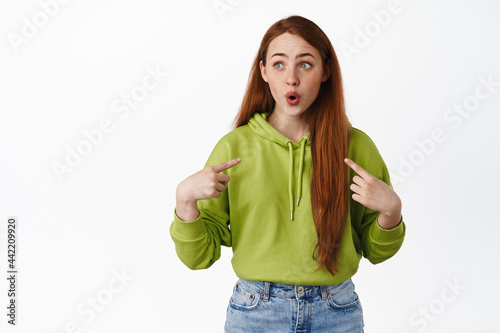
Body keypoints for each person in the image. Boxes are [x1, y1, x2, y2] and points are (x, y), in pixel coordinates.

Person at [170, 15, 406, 333]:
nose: (291, 79)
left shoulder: (355, 146)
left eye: (305, 64)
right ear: (264, 71)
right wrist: (185, 201)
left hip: (336, 311)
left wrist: (391, 212)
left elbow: (376, 251)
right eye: (279, 64)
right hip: (255, 312)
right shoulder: (234, 147)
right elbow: (199, 257)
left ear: (326, 72)